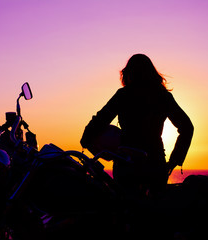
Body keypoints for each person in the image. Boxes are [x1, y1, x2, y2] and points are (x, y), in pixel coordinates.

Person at [80, 54, 194, 198]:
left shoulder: (123, 95)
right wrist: (174, 161)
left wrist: (86, 139)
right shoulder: (163, 96)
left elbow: (100, 120)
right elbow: (187, 127)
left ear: (128, 73)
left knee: (126, 212)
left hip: (126, 165)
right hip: (155, 164)